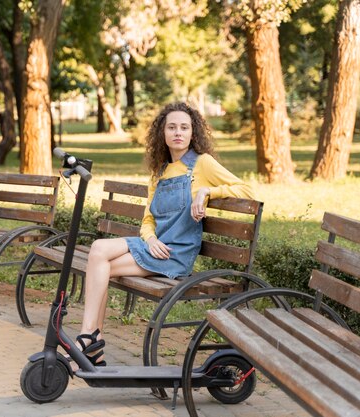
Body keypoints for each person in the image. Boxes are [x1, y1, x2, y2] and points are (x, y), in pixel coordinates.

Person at [75, 102, 255, 366]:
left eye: (184, 127)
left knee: (102, 261)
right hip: (155, 246)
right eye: (172, 127)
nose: (178, 132)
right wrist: (150, 239)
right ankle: (92, 338)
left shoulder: (202, 164)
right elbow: (148, 219)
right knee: (100, 252)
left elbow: (248, 191)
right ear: (163, 133)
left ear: (194, 133)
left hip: (175, 254)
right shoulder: (159, 171)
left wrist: (207, 192)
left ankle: (89, 338)